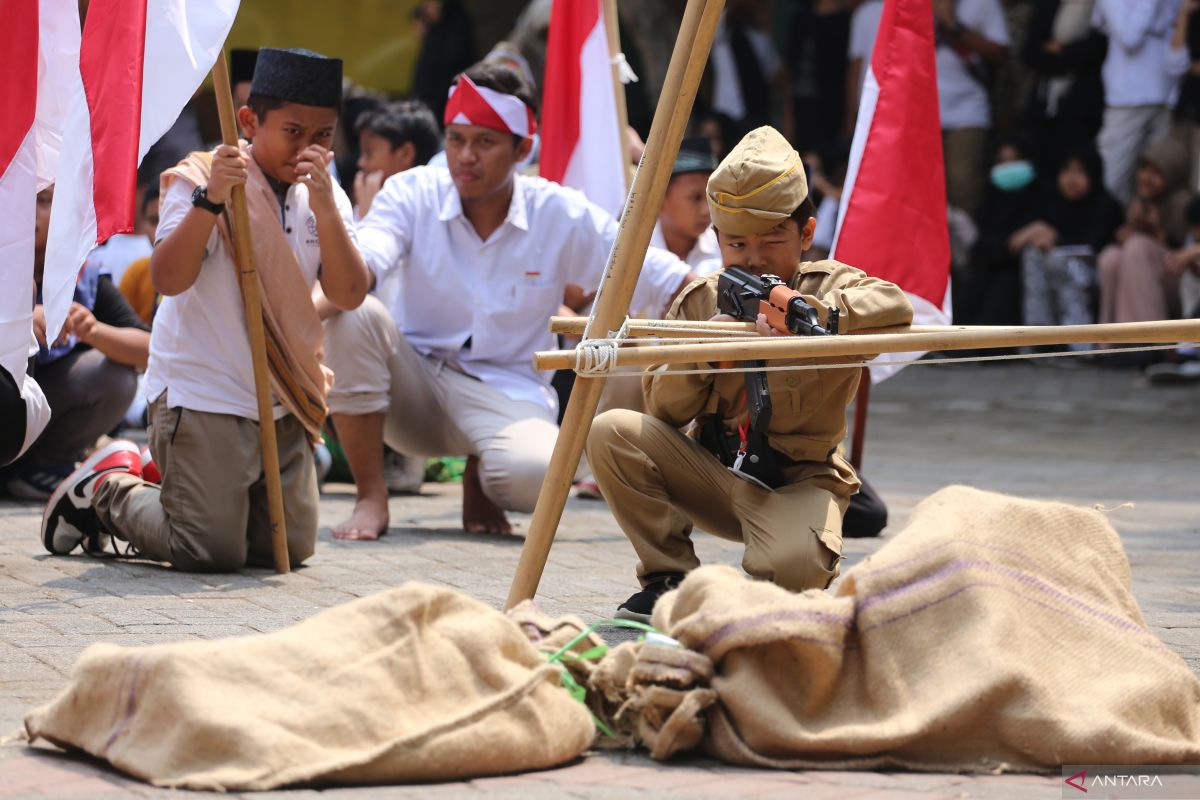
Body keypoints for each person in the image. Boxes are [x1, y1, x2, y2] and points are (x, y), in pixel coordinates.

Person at [323, 62, 695, 541]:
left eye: (484, 142)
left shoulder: (557, 210)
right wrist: (325, 213)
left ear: (522, 149)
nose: (465, 157)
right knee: (354, 318)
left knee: (543, 478)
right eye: (456, 139)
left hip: (507, 394)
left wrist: (757, 298)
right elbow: (357, 278)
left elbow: (663, 277)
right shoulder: (411, 192)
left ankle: (482, 475)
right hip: (412, 386)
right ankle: (370, 498)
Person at [41, 48, 369, 569]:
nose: (308, 147)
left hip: (281, 392)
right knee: (209, 549)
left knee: (288, 548)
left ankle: (169, 489)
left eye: (323, 135)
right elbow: (170, 279)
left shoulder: (324, 195)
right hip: (204, 393)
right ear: (248, 121)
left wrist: (328, 206)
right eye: (292, 130)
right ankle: (106, 491)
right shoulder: (200, 176)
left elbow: (351, 293)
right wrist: (212, 199)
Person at [585, 126, 914, 622]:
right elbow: (662, 411)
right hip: (715, 474)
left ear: (806, 234)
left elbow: (894, 307)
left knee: (792, 577)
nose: (754, 259)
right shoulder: (699, 300)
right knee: (612, 432)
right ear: (716, 239)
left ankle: (757, 579)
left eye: (772, 239)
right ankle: (669, 579)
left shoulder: (829, 285)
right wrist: (706, 355)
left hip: (799, 481)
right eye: (737, 244)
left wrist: (814, 316)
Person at [5, 186, 150, 501]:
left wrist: (93, 331)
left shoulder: (83, 272)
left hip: (41, 412)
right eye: (17, 197)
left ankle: (44, 469)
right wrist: (21, 321)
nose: (30, 212)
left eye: (43, 201)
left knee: (115, 375)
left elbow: (149, 349)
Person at [1014, 147, 1123, 334]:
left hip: (1096, 272)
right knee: (1033, 253)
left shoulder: (1105, 204)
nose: (1071, 179)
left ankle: (1077, 341)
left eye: (1080, 172)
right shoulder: (1054, 202)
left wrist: (1056, 239)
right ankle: (1038, 334)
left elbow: (1092, 246)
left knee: (1061, 261)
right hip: (1057, 269)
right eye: (1067, 171)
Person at [1092, 0, 1190, 204]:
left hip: (1167, 97)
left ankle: (1146, 228)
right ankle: (1104, 228)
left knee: (1159, 178)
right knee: (1113, 175)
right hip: (1127, 98)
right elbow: (1129, 37)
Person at [1098, 137, 1193, 329]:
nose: (1146, 178)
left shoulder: (1184, 204)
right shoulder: (1139, 200)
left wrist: (1157, 232)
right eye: (1144, 169)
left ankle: (1151, 340)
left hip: (1182, 286)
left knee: (1137, 246)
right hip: (1147, 279)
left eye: (1157, 173)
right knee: (1111, 257)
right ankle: (1111, 339)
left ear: (1173, 174)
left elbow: (1184, 256)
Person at [933, 0, 1011, 218]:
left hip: (967, 112)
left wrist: (952, 23)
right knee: (920, 190)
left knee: (963, 187)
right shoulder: (907, 5)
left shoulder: (984, 4)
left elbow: (1000, 53)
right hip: (917, 114)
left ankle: (965, 249)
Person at [352, 100, 441, 218]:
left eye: (369, 152)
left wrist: (369, 215)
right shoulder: (363, 203)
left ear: (406, 154)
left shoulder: (432, 213)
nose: (361, 163)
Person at [649, 139, 722, 276]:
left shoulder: (724, 249)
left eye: (711, 197)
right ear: (660, 197)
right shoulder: (634, 253)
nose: (707, 210)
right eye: (695, 197)